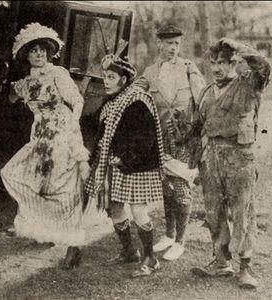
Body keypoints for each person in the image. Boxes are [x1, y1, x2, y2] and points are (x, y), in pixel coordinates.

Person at [1, 23, 90, 269]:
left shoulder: (58, 74)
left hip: (62, 134)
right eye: (34, 51)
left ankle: (74, 245)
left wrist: (71, 128)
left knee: (64, 189)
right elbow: (8, 95)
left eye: (43, 50)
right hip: (40, 137)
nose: (39, 54)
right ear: (27, 55)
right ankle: (46, 228)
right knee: (17, 176)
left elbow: (77, 101)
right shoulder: (25, 82)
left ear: (48, 52)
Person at [190, 38, 271, 289]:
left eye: (223, 62)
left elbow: (264, 67)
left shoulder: (248, 84)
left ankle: (245, 266)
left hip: (240, 157)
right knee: (213, 212)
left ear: (234, 62)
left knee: (242, 212)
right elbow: (196, 128)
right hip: (212, 158)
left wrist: (237, 45)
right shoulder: (206, 92)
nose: (217, 68)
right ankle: (221, 261)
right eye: (213, 62)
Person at [84, 50, 165, 277]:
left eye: (111, 77)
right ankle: (129, 251)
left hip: (135, 167)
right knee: (114, 207)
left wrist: (126, 157)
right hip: (114, 164)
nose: (106, 81)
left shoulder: (137, 101)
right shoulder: (112, 102)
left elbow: (146, 139)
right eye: (105, 76)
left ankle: (151, 258)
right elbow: (99, 130)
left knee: (138, 210)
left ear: (124, 79)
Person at [134, 24, 206, 260]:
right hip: (160, 138)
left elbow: (203, 101)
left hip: (184, 139)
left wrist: (201, 134)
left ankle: (180, 241)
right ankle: (169, 234)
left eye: (176, 44)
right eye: (168, 44)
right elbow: (134, 95)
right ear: (159, 44)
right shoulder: (150, 72)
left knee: (181, 186)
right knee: (166, 186)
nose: (173, 48)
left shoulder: (188, 68)